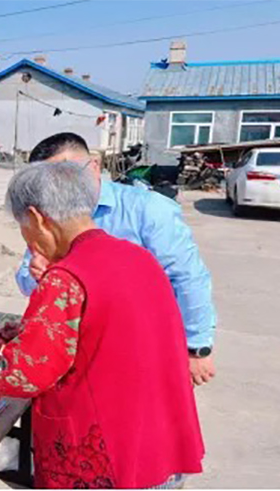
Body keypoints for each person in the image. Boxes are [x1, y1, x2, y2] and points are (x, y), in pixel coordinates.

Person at [0, 162, 205, 489]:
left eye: (23, 228)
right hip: (159, 444)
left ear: (37, 218)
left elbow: (22, 377)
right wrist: (29, 331)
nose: (28, 242)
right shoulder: (138, 256)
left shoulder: (65, 278)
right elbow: (104, 334)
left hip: (106, 462)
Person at [16, 133, 217, 386]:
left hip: (142, 345)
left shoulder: (147, 209)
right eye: (47, 181)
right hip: (76, 348)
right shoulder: (46, 216)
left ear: (94, 166)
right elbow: (25, 280)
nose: (61, 187)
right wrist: (39, 275)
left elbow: (188, 277)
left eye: (68, 174)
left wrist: (196, 347)